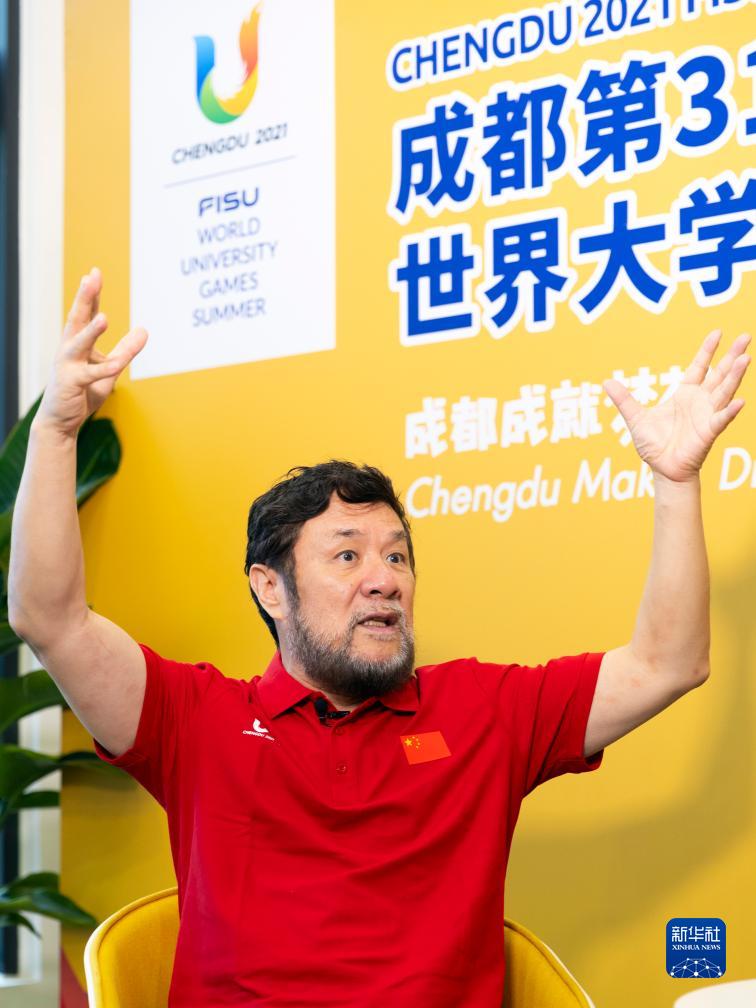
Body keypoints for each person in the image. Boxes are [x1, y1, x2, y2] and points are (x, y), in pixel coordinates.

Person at [8, 266, 750, 1008]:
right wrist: (57, 430)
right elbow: (50, 618)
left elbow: (667, 664)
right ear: (271, 588)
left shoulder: (483, 710)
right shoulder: (196, 719)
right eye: (347, 556)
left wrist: (675, 482)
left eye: (397, 556)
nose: (384, 579)